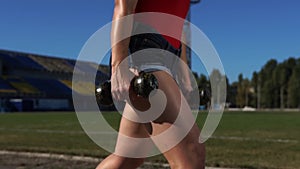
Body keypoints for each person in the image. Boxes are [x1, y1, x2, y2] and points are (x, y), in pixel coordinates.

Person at [97, 0, 205, 169]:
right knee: (191, 156)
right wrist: (119, 65)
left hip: (168, 56)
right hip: (145, 52)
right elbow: (123, 5)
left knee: (128, 158)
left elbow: (179, 27)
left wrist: (183, 74)